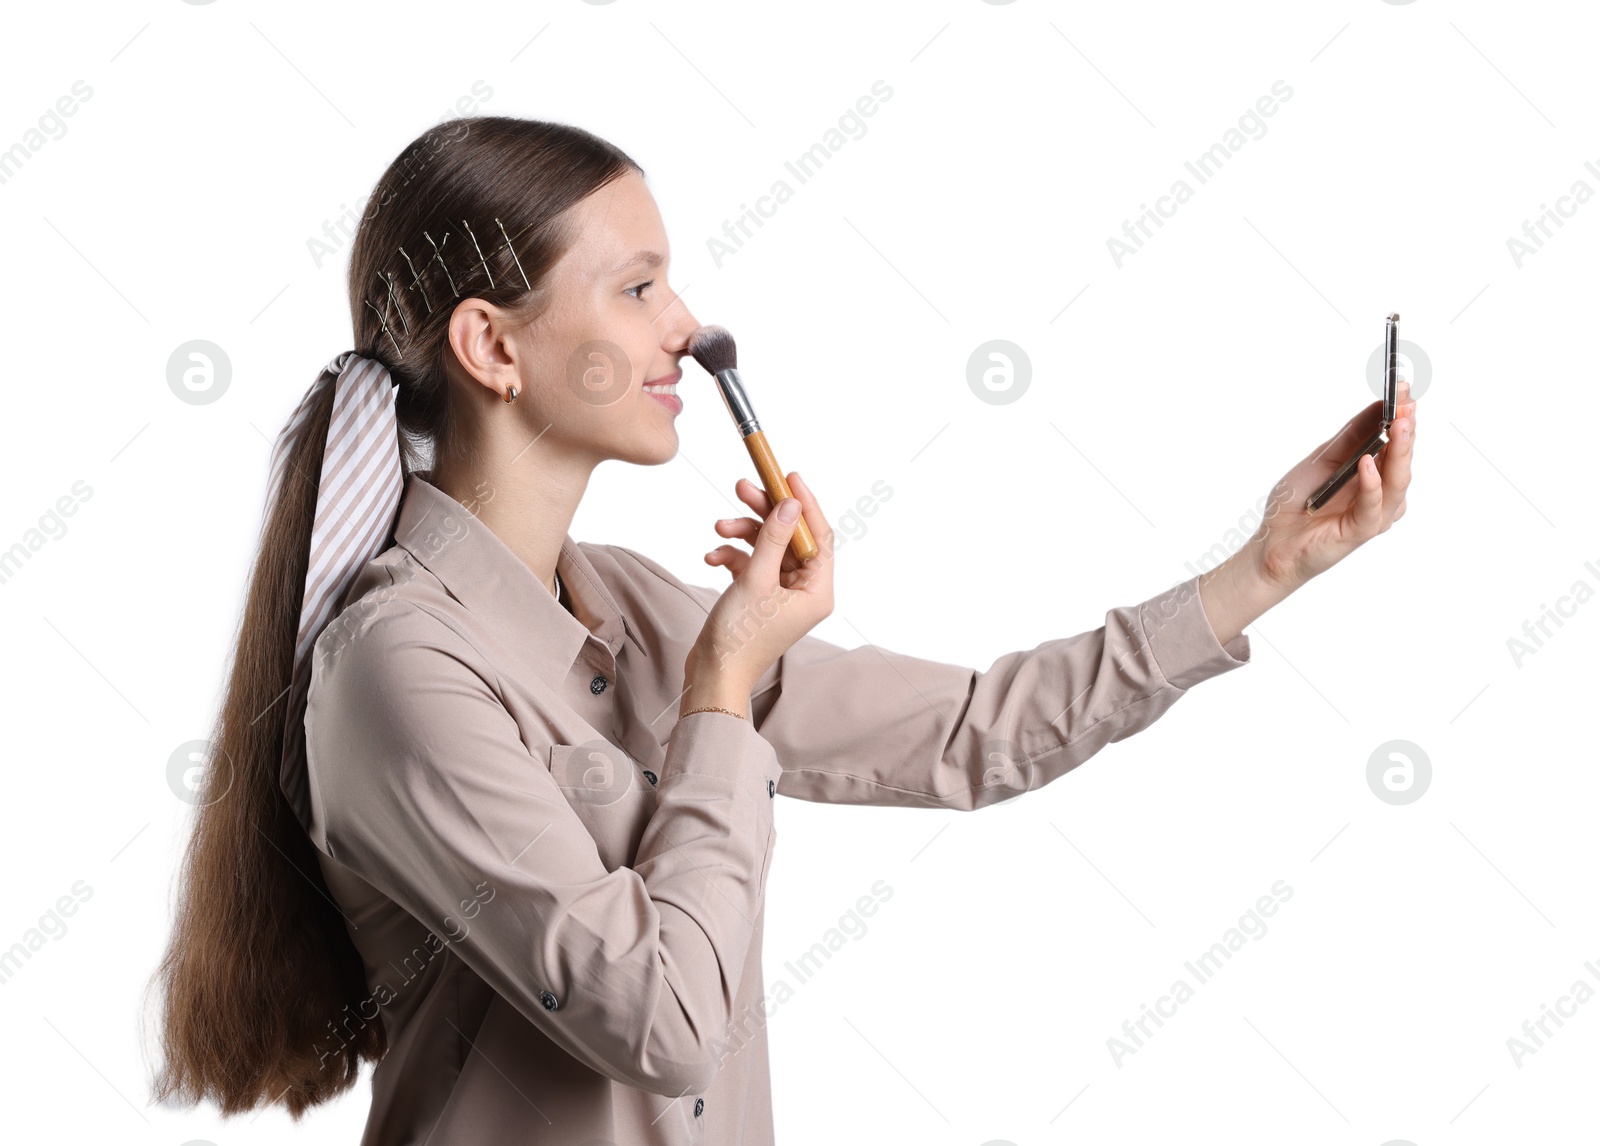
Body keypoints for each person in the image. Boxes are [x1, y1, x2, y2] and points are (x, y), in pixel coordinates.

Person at [145, 116, 1417, 1145]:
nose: (684, 326)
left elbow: (969, 735)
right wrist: (721, 691)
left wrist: (1263, 570)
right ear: (492, 346)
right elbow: (662, 1017)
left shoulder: (632, 602)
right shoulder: (395, 665)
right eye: (637, 286)